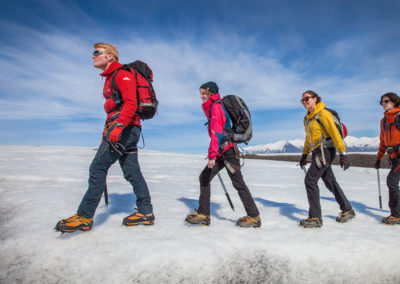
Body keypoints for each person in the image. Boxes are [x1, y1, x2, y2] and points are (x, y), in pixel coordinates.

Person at [55, 43, 154, 233]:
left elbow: (131, 103)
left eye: (96, 53)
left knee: (97, 167)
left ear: (110, 57)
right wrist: (108, 131)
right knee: (132, 172)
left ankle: (84, 216)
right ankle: (145, 211)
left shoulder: (121, 74)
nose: (93, 56)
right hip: (127, 128)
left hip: (124, 128)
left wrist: (118, 126)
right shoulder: (112, 77)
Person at [185, 82, 261, 227]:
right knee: (204, 177)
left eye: (203, 93)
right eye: (200, 93)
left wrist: (212, 155)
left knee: (238, 183)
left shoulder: (216, 107)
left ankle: (254, 217)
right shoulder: (213, 107)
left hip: (228, 152)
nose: (201, 97)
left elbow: (217, 133)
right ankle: (204, 214)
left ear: (210, 93)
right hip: (222, 152)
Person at [299, 90, 355, 228]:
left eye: (307, 98)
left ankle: (315, 218)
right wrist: (304, 155)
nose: (304, 101)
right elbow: (308, 138)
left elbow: (335, 133)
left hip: (325, 151)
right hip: (317, 151)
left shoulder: (323, 113)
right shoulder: (307, 118)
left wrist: (343, 154)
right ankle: (347, 209)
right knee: (330, 182)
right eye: (303, 100)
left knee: (310, 180)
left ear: (315, 99)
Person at [374, 92, 400, 225]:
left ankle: (397, 214)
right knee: (394, 182)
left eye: (386, 101)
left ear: (394, 102)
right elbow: (383, 142)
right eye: (382, 102)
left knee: (392, 181)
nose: (383, 104)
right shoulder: (383, 121)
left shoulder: (398, 117)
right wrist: (379, 158)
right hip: (393, 157)